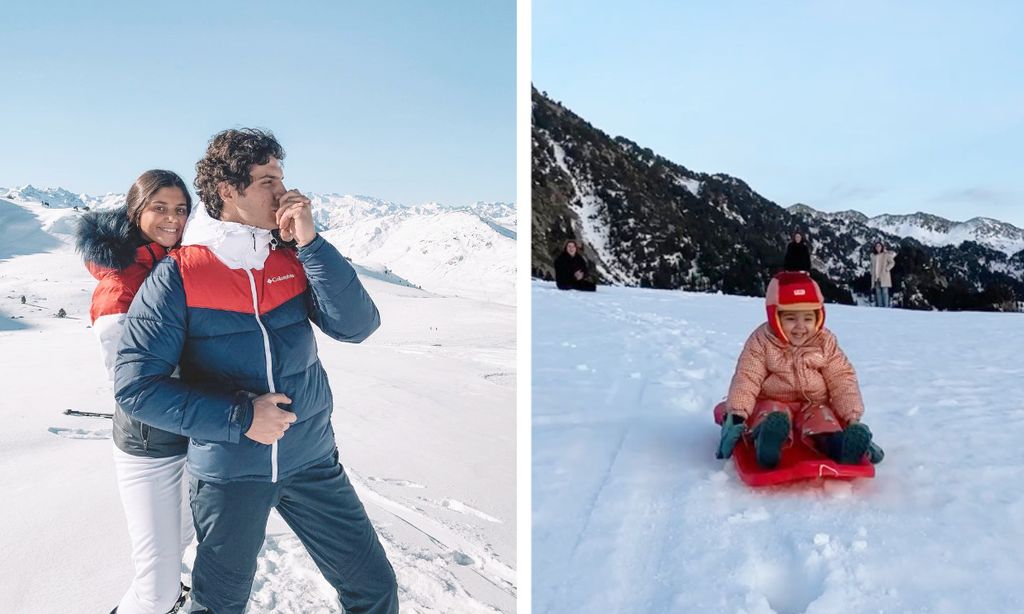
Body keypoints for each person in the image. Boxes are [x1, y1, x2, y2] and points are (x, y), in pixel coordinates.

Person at [114, 129, 398, 614]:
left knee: (374, 589)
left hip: (312, 462)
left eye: (282, 178)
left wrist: (311, 244)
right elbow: (136, 388)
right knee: (220, 607)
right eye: (268, 180)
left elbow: (358, 326)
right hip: (230, 474)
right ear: (228, 191)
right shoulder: (178, 276)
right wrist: (241, 418)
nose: (284, 192)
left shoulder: (290, 256)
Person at [75, 170, 193, 614]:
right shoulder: (123, 284)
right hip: (149, 440)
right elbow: (132, 387)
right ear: (135, 211)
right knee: (159, 585)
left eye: (181, 209)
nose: (172, 218)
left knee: (179, 539)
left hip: (190, 428)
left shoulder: (174, 261)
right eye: (159, 208)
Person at [714, 271, 881, 468]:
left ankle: (839, 446)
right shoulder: (762, 341)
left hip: (813, 403)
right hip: (774, 400)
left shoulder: (824, 342)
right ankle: (766, 443)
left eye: (808, 319)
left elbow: (841, 377)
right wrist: (737, 413)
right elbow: (748, 376)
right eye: (791, 318)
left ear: (818, 317)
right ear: (775, 317)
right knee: (770, 414)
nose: (800, 327)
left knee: (823, 420)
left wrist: (851, 416)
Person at [870, 241, 896, 307]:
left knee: (885, 292)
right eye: (876, 246)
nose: (878, 247)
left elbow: (892, 263)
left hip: (884, 276)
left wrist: (887, 269)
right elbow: (871, 265)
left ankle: (886, 307)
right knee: (878, 293)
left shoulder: (886, 254)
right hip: (876, 276)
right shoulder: (873, 256)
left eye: (879, 246)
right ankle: (880, 307)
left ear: (881, 247)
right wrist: (871, 272)